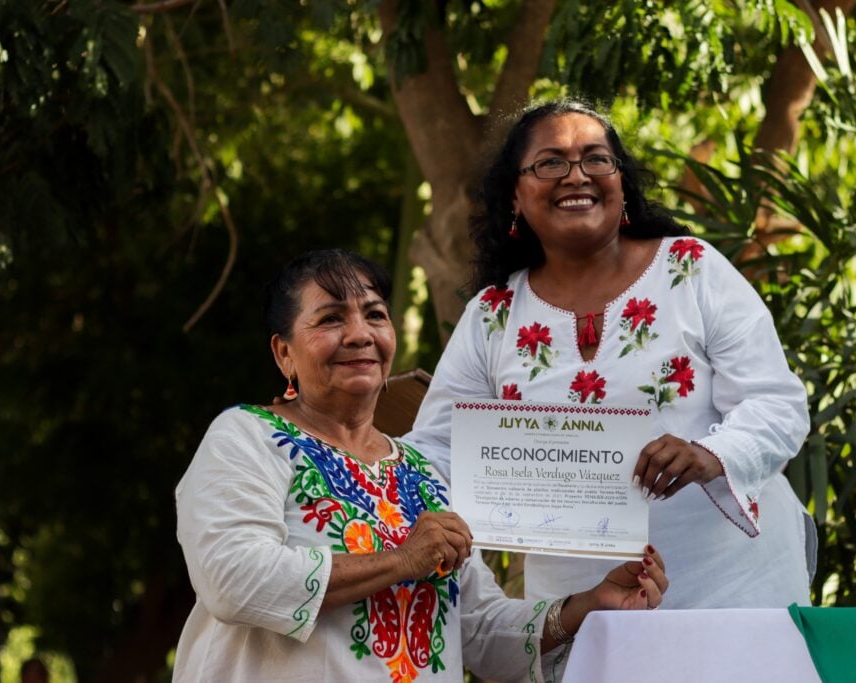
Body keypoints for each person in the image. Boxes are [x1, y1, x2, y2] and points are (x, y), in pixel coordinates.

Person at [172, 249, 668, 682]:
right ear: (284, 353)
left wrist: (588, 605)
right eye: (330, 320)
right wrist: (402, 560)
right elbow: (233, 578)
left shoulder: (424, 470)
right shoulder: (248, 437)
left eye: (375, 315)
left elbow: (477, 630)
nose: (360, 335)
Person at [404, 100, 815, 609]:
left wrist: (711, 454)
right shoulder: (494, 316)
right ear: (515, 194)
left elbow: (778, 405)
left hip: (733, 583)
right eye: (550, 163)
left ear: (622, 184)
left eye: (596, 160)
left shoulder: (692, 270)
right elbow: (440, 452)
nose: (576, 176)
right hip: (584, 602)